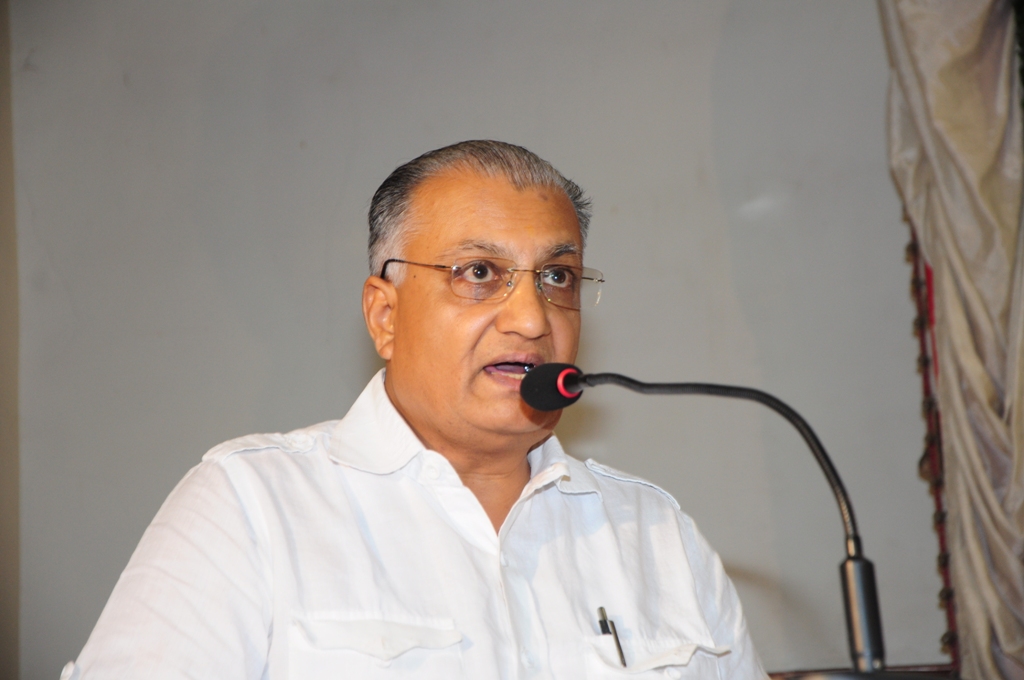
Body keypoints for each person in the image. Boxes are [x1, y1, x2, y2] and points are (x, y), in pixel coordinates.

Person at [64, 140, 767, 679]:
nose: (531, 318)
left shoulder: (657, 536)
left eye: (557, 276)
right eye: (479, 273)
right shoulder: (252, 507)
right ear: (385, 316)